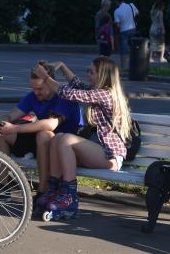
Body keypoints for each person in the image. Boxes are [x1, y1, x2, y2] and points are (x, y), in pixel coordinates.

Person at [32, 56, 131, 218]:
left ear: (103, 75)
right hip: (97, 152)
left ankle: (69, 197)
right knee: (57, 138)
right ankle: (54, 189)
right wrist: (62, 65)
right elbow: (76, 84)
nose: (88, 74)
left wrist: (45, 77)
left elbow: (68, 93)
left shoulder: (106, 94)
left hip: (110, 156)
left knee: (64, 139)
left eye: (91, 72)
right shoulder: (96, 91)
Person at [0, 61, 83, 202]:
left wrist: (15, 127)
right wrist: (2, 122)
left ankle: (43, 189)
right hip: (41, 143)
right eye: (33, 89)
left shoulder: (64, 97)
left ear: (51, 83)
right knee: (1, 135)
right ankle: (2, 186)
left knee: (44, 134)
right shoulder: (33, 95)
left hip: (63, 148)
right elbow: (11, 115)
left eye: (39, 89)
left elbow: (50, 124)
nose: (36, 93)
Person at [113, 0, 139, 69]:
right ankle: (134, 65)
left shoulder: (117, 11)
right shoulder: (131, 5)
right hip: (133, 29)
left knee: (123, 50)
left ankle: (124, 67)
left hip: (123, 31)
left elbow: (117, 25)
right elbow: (137, 13)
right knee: (133, 48)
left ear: (116, 1)